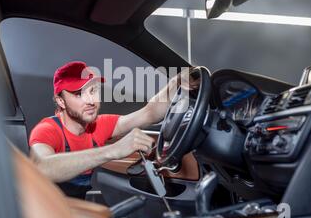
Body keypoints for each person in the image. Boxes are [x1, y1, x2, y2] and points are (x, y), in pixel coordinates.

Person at [29, 61, 195, 198]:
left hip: (74, 210)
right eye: (79, 94)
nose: (91, 101)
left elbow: (149, 113)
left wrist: (176, 82)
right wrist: (113, 150)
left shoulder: (98, 126)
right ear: (61, 101)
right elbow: (43, 167)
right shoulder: (47, 129)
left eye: (93, 91)